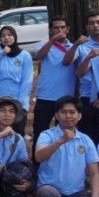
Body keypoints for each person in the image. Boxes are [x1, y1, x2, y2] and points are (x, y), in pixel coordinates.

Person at [33, 96, 99, 197]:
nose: (68, 116)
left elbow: (95, 174)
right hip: (51, 188)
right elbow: (38, 157)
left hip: (76, 193)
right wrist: (61, 140)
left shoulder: (86, 140)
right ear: (56, 115)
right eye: (63, 112)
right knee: (45, 193)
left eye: (72, 112)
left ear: (79, 116)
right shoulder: (47, 135)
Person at [31, 16, 75, 147]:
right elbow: (39, 56)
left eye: (62, 27)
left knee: (64, 133)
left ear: (68, 29)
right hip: (45, 96)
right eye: (56, 27)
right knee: (40, 131)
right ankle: (37, 164)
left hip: (66, 97)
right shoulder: (42, 45)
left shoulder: (73, 47)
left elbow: (68, 62)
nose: (59, 30)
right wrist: (52, 40)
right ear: (50, 30)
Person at [0, 26, 32, 135]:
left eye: (9, 34)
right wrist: (2, 53)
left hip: (17, 102)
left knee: (16, 135)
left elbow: (27, 81)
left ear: (15, 36)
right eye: (3, 35)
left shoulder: (24, 56)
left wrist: (21, 105)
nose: (6, 37)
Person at [62, 10, 99, 103]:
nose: (95, 25)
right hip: (88, 94)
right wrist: (75, 44)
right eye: (91, 23)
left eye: (98, 22)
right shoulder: (81, 47)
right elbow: (66, 62)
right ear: (87, 27)